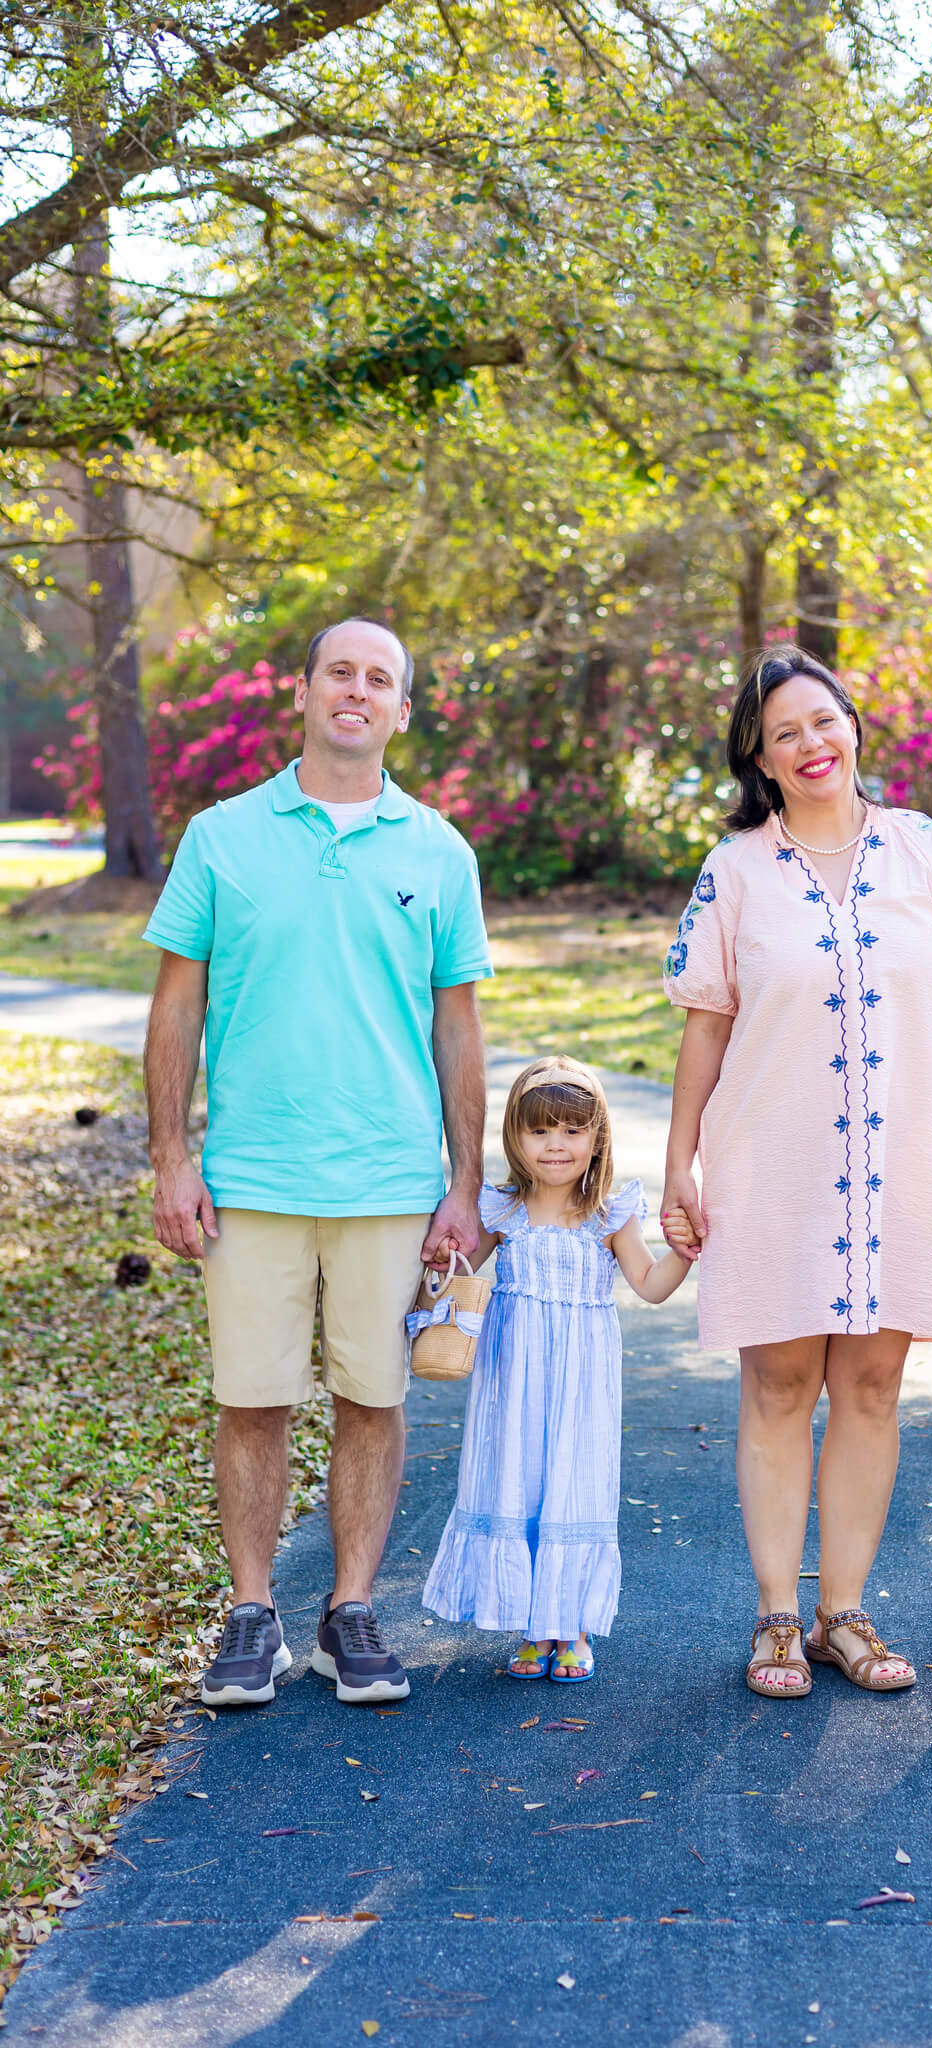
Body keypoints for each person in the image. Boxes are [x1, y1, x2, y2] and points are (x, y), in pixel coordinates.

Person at [143, 617, 492, 1709]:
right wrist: (170, 1157)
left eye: (378, 678)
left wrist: (465, 1182)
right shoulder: (221, 836)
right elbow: (177, 1006)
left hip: (389, 1181)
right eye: (339, 671)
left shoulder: (438, 851)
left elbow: (457, 1026)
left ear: (401, 710)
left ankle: (351, 1612)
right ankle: (253, 1614)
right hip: (251, 1179)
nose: (356, 690)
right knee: (252, 1402)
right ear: (301, 692)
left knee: (371, 1399)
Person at [659, 645, 932, 1700]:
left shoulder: (926, 851)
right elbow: (706, 1022)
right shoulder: (734, 871)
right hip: (770, 1161)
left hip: (900, 1163)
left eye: (823, 721)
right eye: (784, 734)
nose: (810, 744)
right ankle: (776, 1615)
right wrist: (678, 1164)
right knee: (777, 1385)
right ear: (760, 761)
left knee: (870, 1383)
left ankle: (842, 1613)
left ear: (852, 727)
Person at [422, 1058, 689, 1682]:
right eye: (539, 1131)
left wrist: (684, 1252)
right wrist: (440, 1260)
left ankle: (573, 1626)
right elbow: (456, 1275)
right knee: (520, 1477)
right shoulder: (503, 1211)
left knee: (572, 1479)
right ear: (515, 1137)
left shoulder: (610, 1216)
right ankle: (533, 1625)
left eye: (572, 1130)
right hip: (513, 1376)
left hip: (582, 1379)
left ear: (597, 1138)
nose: (555, 1145)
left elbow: (650, 1285)